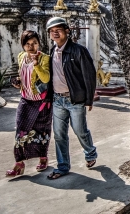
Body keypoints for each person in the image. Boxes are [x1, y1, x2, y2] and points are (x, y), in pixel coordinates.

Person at [45, 17, 98, 180]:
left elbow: (89, 75)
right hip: (57, 100)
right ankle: (62, 167)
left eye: (58, 29)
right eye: (52, 30)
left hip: (75, 100)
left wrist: (89, 99)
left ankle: (90, 153)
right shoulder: (52, 51)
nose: (55, 32)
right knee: (59, 135)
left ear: (67, 31)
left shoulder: (78, 51)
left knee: (80, 130)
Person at [6, 30, 52, 177]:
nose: (31, 47)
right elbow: (23, 75)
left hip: (42, 102)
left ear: (39, 43)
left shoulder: (44, 58)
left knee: (42, 130)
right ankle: (19, 163)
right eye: (28, 44)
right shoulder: (21, 57)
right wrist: (18, 82)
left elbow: (45, 79)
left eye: (34, 43)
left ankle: (43, 158)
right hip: (26, 100)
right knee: (21, 130)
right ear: (23, 45)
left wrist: (36, 64)